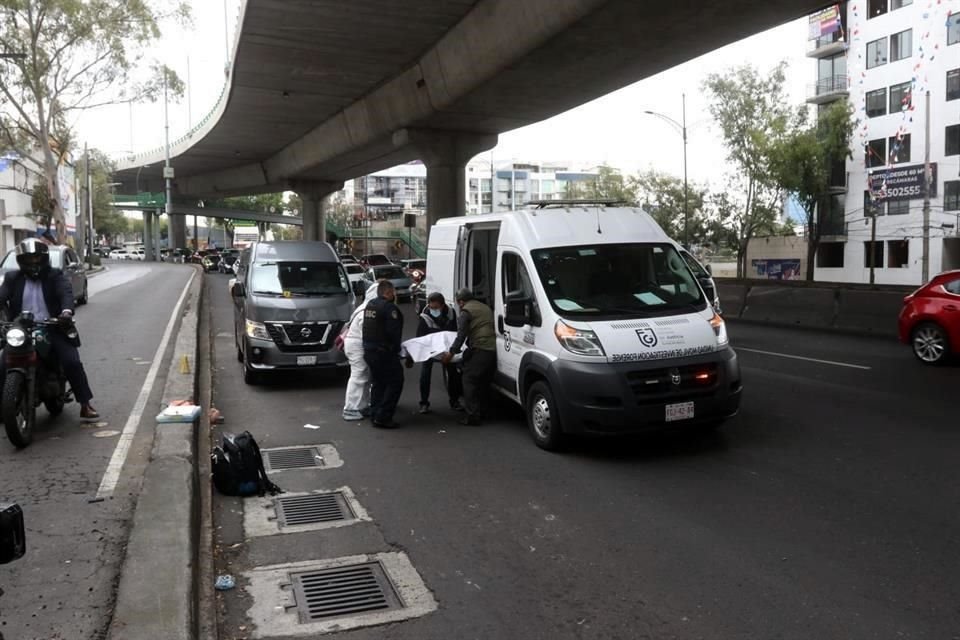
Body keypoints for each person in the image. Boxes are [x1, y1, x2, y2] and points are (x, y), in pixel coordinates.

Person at [0, 239, 99, 421]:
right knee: (2, 361)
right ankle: (3, 406)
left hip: (53, 326)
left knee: (71, 362)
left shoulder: (55, 276)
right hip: (22, 329)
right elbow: (1, 296)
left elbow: (65, 294)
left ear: (44, 258)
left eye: (37, 258)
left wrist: (66, 312)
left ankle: (85, 404)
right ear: (21, 260)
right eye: (28, 259)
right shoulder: (13, 278)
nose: (33, 262)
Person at [442, 288, 496, 426]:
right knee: (483, 382)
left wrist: (451, 353)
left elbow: (461, 335)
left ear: (461, 302)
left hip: (481, 348)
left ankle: (473, 416)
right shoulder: (485, 307)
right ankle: (485, 411)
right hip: (492, 349)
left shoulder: (466, 312)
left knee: (469, 379)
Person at [362, 280, 405, 428]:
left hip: (369, 351)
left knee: (378, 383)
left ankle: (375, 413)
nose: (395, 294)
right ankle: (384, 416)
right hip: (384, 352)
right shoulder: (389, 308)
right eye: (393, 291)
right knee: (395, 381)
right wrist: (397, 350)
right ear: (388, 292)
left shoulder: (370, 305)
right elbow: (393, 333)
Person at [415, 292, 462, 414]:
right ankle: (424, 403)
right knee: (425, 374)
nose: (433, 310)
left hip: (446, 348)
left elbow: (454, 333)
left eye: (436, 308)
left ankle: (454, 401)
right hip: (430, 348)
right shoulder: (425, 316)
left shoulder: (451, 313)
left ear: (442, 305)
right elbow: (420, 337)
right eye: (431, 307)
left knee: (453, 374)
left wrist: (451, 352)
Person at [341, 282, 379, 421]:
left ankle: (362, 406)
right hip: (357, 344)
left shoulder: (365, 307)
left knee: (365, 376)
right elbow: (368, 330)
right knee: (359, 376)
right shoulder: (368, 309)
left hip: (356, 343)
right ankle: (351, 408)